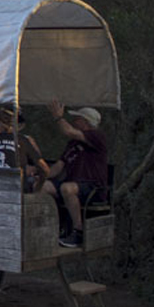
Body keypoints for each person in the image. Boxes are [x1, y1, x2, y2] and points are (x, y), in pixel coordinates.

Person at [43, 101, 110, 248]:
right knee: (43, 187)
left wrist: (58, 117)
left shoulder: (96, 136)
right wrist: (40, 175)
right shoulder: (72, 144)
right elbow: (58, 167)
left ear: (85, 121)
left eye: (77, 119)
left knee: (67, 188)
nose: (74, 122)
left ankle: (78, 231)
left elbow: (68, 131)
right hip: (73, 185)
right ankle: (54, 226)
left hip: (92, 187)